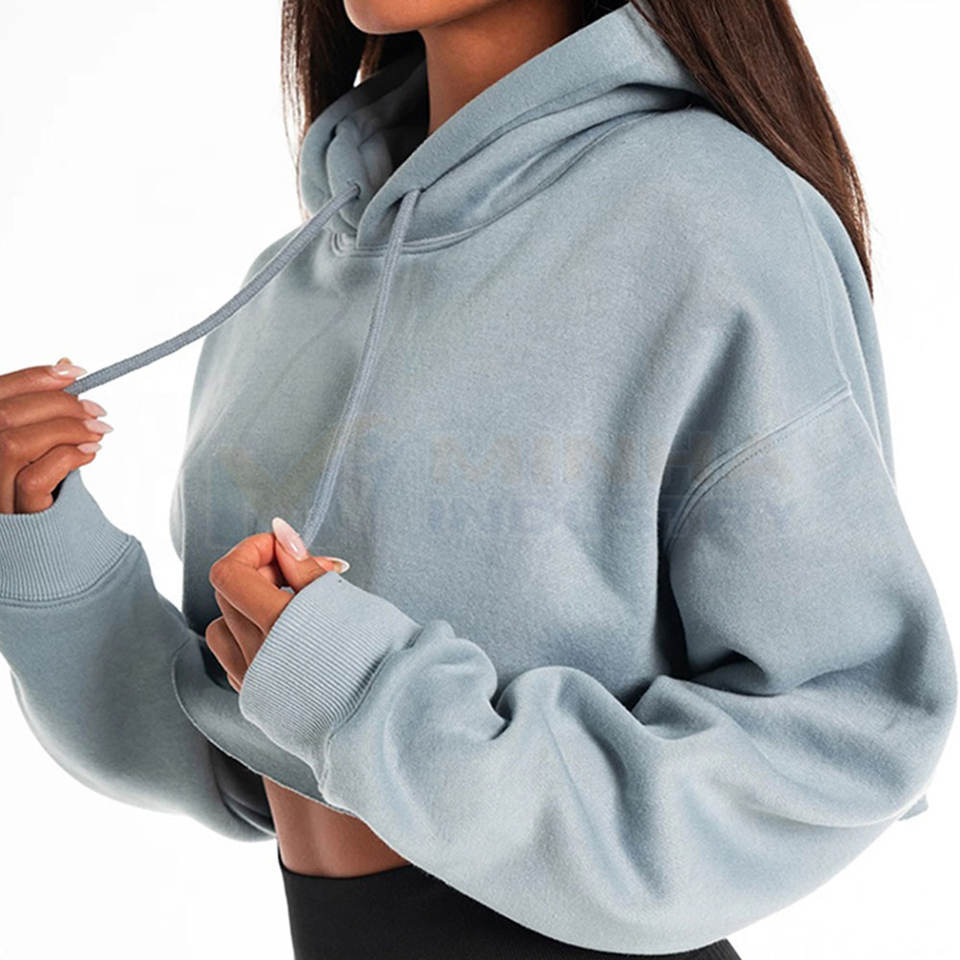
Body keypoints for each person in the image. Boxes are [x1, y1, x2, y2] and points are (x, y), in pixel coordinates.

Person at [0, 1, 955, 958]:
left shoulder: (710, 215)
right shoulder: (294, 279)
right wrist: (37, 533)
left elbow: (846, 726)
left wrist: (368, 693)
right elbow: (237, 745)